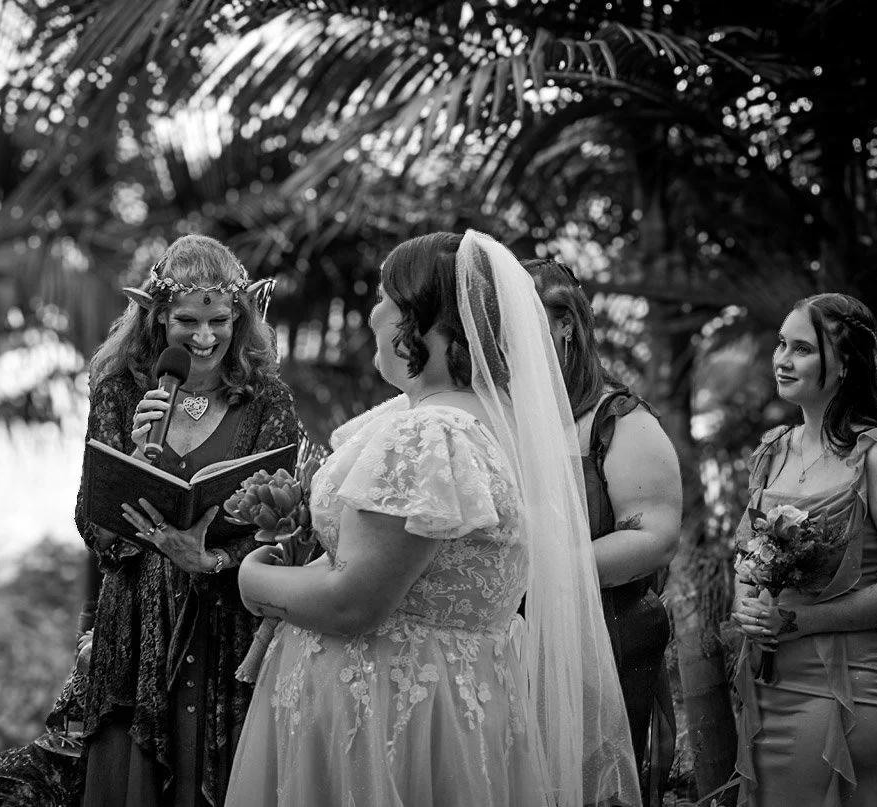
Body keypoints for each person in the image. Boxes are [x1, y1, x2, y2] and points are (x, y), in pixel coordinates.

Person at [225, 231, 640, 807]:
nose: (372, 314)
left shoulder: (430, 434)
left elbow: (355, 602)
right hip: (451, 701)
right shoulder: (495, 427)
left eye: (384, 298)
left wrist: (252, 582)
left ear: (421, 322)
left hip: (384, 715)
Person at [76, 233, 301, 807]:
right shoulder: (120, 391)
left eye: (219, 321)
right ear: (156, 319)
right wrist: (130, 460)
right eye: (186, 322)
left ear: (239, 317)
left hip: (227, 624)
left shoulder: (267, 401)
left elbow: (286, 523)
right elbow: (91, 520)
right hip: (136, 623)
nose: (204, 338)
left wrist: (214, 560)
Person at [731, 293, 877, 807]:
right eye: (781, 344)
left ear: (844, 364)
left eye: (801, 348)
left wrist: (804, 621)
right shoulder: (773, 450)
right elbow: (746, 556)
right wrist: (746, 603)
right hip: (769, 684)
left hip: (851, 687)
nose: (782, 359)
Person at [525, 257, 681, 789]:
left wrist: (535, 572)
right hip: (515, 648)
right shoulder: (503, 417)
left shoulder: (618, 419)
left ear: (565, 323)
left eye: (522, 319)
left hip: (607, 645)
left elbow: (654, 539)